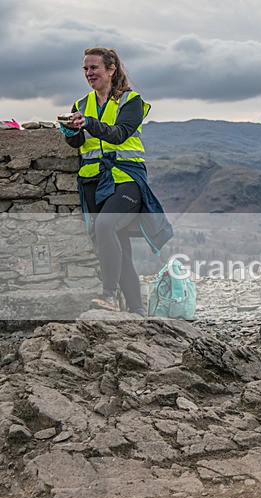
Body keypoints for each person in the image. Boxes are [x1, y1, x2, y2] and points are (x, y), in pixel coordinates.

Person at [61, 47, 172, 315]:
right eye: (85, 68)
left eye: (94, 67)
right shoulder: (81, 103)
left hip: (126, 179)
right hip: (93, 182)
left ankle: (109, 296)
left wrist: (87, 122)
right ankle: (137, 311)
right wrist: (70, 129)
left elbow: (120, 134)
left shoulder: (131, 101)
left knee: (106, 225)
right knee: (119, 246)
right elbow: (78, 142)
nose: (89, 73)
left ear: (111, 69)